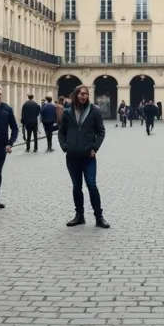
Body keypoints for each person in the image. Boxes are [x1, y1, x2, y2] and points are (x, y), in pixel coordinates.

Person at [58, 85, 109, 228]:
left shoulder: (94, 111)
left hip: (88, 156)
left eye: (85, 94)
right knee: (76, 186)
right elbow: (61, 132)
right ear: (76, 95)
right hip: (72, 156)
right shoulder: (68, 112)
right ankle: (79, 215)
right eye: (81, 94)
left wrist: (94, 148)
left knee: (92, 185)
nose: (83, 96)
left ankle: (99, 217)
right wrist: (65, 147)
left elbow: (101, 131)